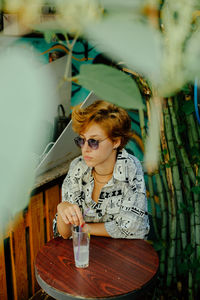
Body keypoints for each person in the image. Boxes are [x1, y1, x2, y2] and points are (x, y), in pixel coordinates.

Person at [53, 100, 149, 239]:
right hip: (85, 251)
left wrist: (85, 228)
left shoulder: (130, 168)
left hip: (123, 255)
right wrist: (62, 208)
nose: (84, 149)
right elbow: (66, 234)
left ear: (116, 141)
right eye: (81, 140)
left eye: (93, 141)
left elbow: (135, 228)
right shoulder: (77, 168)